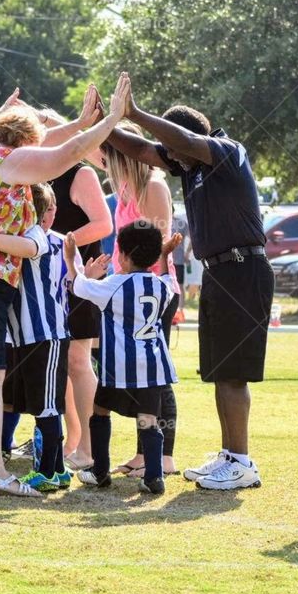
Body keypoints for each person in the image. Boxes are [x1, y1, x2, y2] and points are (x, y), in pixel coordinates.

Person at [0, 76, 128, 496]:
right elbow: (64, 153)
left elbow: (53, 141)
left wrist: (83, 120)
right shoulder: (9, 162)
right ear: (26, 143)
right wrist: (112, 121)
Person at [102, 74, 271, 490]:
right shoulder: (189, 165)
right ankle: (231, 455)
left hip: (242, 269)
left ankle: (242, 461)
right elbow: (142, 149)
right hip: (218, 271)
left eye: (176, 151)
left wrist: (137, 113)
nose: (170, 160)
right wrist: (108, 121)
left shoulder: (225, 152)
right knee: (219, 372)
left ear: (191, 139)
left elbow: (184, 143)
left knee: (234, 374)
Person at [0, 184, 72, 491]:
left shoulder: (34, 234)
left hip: (46, 333)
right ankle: (57, 470)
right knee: (38, 403)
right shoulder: (13, 238)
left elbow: (29, 249)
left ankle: (47, 470)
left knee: (47, 406)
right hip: (24, 337)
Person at [65, 222, 181, 495]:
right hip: (152, 367)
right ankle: (154, 477)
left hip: (118, 367)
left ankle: (100, 471)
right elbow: (169, 280)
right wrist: (165, 257)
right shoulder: (161, 287)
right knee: (148, 420)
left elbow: (79, 287)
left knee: (100, 411)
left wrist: (72, 260)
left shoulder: (113, 285)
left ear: (124, 256)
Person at [102, 124, 181, 478]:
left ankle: (164, 456)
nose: (103, 162)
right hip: (128, 290)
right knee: (140, 374)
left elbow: (159, 245)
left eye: (109, 155)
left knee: (156, 373)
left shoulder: (153, 186)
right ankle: (141, 452)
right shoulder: (124, 187)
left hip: (154, 292)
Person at [48, 129, 113, 471]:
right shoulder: (41, 170)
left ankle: (90, 447)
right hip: (50, 282)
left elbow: (104, 224)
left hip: (82, 279)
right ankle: (74, 442)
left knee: (78, 361)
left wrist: (60, 245)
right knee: (63, 365)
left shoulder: (80, 173)